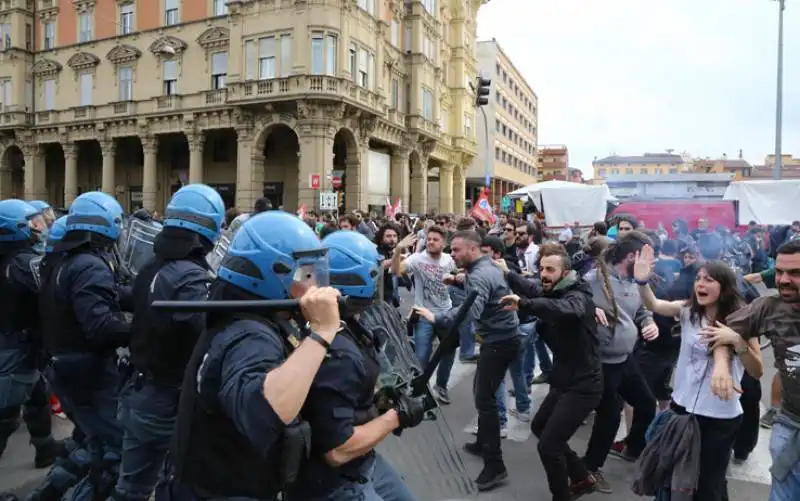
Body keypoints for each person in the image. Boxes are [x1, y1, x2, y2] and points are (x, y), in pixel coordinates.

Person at [164, 211, 343, 501]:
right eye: (307, 275)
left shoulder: (239, 313)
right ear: (275, 274)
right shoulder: (250, 335)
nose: (315, 286)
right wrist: (322, 332)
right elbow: (264, 412)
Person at [287, 230, 423, 501]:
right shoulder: (339, 353)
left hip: (364, 463)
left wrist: (379, 403)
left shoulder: (336, 324)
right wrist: (396, 416)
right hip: (336, 483)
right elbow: (337, 450)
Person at [112, 185, 226, 501]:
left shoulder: (151, 267)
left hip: (138, 389)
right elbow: (209, 331)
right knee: (177, 483)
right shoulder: (191, 278)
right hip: (168, 400)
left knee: (131, 488)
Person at [633, 245, 763, 501]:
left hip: (720, 418)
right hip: (682, 410)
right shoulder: (688, 310)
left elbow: (757, 370)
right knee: (674, 479)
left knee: (708, 485)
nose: (700, 284)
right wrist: (641, 280)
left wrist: (737, 341)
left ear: (724, 287)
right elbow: (654, 304)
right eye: (698, 279)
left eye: (709, 280)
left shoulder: (744, 321)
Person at [39, 191, 132, 500]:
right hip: (88, 371)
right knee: (116, 453)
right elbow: (100, 326)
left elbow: (106, 295)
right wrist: (144, 329)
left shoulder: (64, 260)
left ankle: (44, 495)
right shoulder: (90, 265)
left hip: (66, 366)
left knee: (92, 442)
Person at [414, 230, 520, 492]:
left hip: (499, 342)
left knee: (485, 400)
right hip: (500, 339)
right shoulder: (484, 266)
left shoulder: (479, 275)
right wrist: (460, 281)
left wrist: (436, 318)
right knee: (481, 392)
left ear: (473, 249)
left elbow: (469, 312)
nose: (453, 254)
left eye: (458, 250)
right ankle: (483, 442)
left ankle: (495, 465)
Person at [500, 244, 602, 501]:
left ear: (565, 272)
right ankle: (581, 476)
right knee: (539, 426)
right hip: (563, 380)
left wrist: (524, 304)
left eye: (550, 269)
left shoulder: (578, 296)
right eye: (541, 268)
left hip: (584, 384)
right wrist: (507, 273)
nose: (543, 274)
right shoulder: (555, 289)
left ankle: (562, 496)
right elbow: (533, 288)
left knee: (549, 447)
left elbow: (566, 309)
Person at [724, 239, 800, 501]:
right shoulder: (770, 307)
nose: (784, 280)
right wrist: (724, 366)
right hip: (790, 425)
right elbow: (720, 330)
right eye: (779, 272)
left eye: (795, 273)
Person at [0, 200, 61, 465]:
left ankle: (45, 448)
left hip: (22, 344)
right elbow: (49, 294)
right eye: (34, 223)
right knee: (4, 418)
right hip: (14, 347)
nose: (42, 227)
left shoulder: (13, 258)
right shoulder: (23, 263)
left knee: (38, 398)